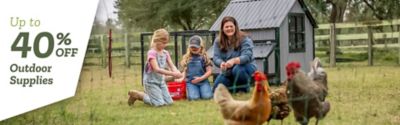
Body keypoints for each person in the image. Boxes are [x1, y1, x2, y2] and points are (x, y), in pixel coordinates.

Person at [128, 28, 183, 107]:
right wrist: (173, 74)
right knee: (159, 104)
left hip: (161, 82)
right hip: (151, 82)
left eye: (166, 43)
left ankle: (153, 97)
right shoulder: (152, 53)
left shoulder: (165, 53)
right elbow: (157, 69)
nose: (165, 45)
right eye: (163, 43)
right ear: (156, 41)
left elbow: (171, 65)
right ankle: (139, 95)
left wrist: (177, 72)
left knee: (169, 103)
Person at [212, 16, 256, 93]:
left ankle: (243, 89)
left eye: (231, 26)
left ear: (235, 27)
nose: (229, 28)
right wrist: (221, 63)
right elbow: (216, 57)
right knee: (216, 89)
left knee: (238, 69)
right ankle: (233, 88)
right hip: (228, 70)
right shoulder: (218, 41)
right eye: (226, 27)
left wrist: (234, 61)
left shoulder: (244, 38)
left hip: (245, 67)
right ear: (222, 29)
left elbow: (247, 56)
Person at [179, 35, 213, 100]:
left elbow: (209, 71)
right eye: (192, 47)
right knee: (194, 98)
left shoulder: (204, 57)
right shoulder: (187, 58)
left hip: (203, 81)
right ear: (189, 48)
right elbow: (185, 71)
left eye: (196, 47)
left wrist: (200, 78)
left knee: (207, 97)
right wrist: (182, 78)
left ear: (201, 47)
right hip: (191, 83)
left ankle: (208, 89)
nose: (194, 48)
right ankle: (193, 92)